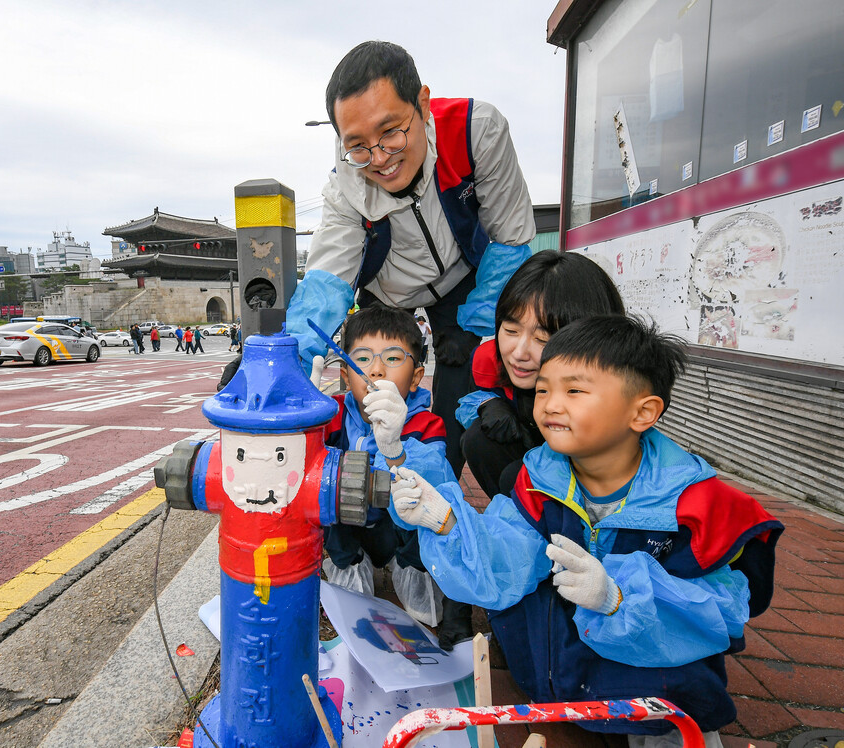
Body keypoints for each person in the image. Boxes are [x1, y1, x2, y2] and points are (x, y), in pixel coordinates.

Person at [391, 315, 784, 746]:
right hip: (560, 681)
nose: (550, 405)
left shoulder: (697, 507)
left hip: (661, 699)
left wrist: (619, 599)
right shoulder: (538, 479)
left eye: (574, 390)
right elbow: (505, 565)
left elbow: (725, 611)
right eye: (543, 389)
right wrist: (446, 522)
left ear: (643, 412)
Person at [285, 40, 537, 479]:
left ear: (422, 104)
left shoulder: (477, 130)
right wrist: (284, 359)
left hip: (464, 282)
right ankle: (375, 509)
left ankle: (434, 498)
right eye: (358, 145)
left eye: (391, 132)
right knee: (376, 394)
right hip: (386, 293)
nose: (379, 158)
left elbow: (509, 242)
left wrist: (476, 327)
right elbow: (327, 281)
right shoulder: (344, 184)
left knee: (457, 400)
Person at [318, 305, 458, 636]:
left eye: (393, 359)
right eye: (363, 359)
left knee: (419, 518)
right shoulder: (331, 417)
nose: (377, 371)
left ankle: (409, 570)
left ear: (416, 378)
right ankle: (349, 565)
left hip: (397, 531)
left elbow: (435, 484)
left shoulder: (427, 423)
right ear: (344, 373)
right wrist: (301, 416)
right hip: (349, 528)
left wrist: (394, 446)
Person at [457, 251, 625, 499]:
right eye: (511, 330)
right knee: (479, 440)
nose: (519, 353)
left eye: (542, 338)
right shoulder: (490, 360)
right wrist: (488, 403)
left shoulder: (613, 397)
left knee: (518, 477)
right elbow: (471, 400)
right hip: (531, 460)